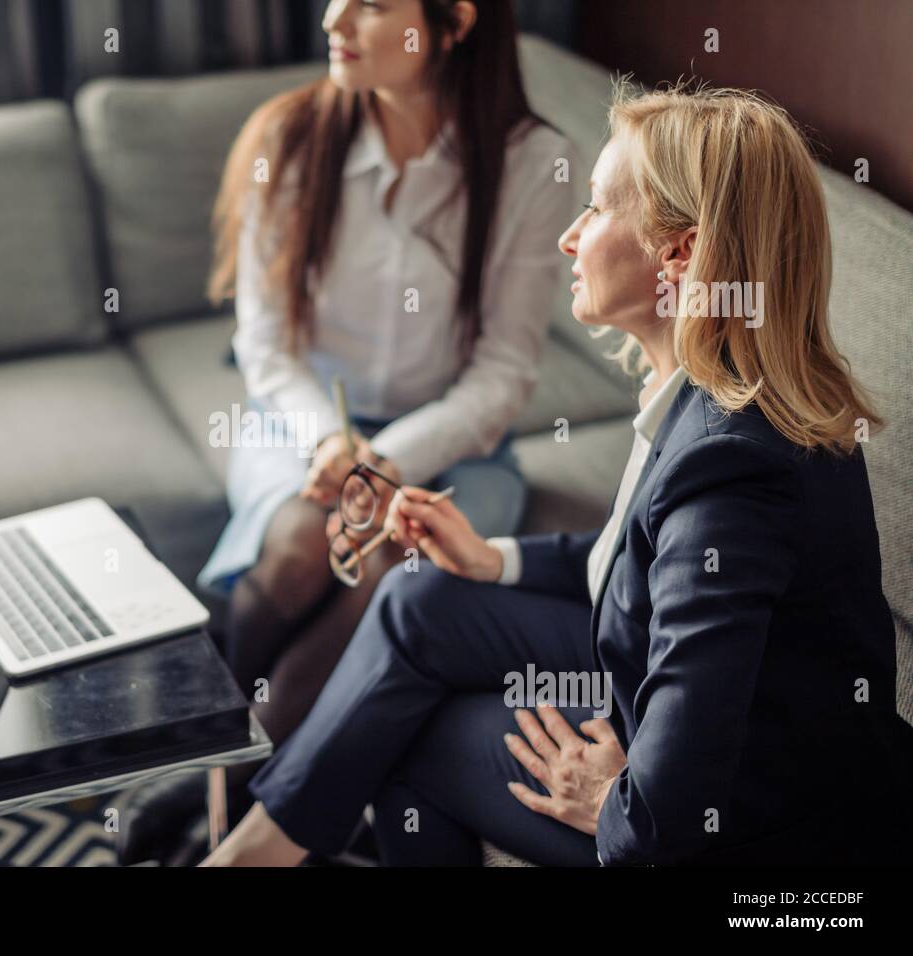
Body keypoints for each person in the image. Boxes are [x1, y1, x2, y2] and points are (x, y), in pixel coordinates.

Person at [202, 83, 913, 866]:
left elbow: (667, 814)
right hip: (679, 692)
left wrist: (614, 798)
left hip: (756, 839)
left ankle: (249, 852)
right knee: (419, 595)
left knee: (406, 729)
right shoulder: (705, 393)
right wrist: (493, 558)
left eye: (600, 209)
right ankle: (254, 844)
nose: (571, 238)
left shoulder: (731, 469)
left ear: (679, 252)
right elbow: (639, 564)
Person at [117, 1, 572, 863]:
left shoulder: (532, 162)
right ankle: (247, 779)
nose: (334, 16)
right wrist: (331, 447)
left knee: (390, 560)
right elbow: (264, 344)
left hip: (449, 439)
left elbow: (504, 373)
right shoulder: (288, 138)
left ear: (453, 21)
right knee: (298, 540)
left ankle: (234, 790)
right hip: (302, 426)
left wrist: (392, 461)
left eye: (371, 3)